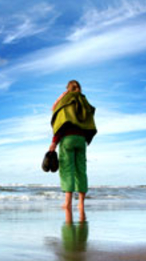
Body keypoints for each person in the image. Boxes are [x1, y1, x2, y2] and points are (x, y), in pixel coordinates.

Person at [49, 80, 97, 217]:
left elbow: (58, 116)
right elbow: (89, 119)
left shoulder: (66, 100)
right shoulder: (83, 101)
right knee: (81, 170)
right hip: (81, 140)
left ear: (67, 89)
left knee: (67, 170)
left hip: (67, 139)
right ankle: (81, 203)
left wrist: (54, 142)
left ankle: (68, 203)